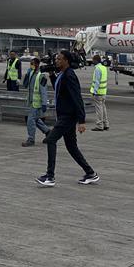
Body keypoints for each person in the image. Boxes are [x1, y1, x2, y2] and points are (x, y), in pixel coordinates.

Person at [36, 50, 99, 187]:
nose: (56, 61)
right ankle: (90, 173)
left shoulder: (69, 75)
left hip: (68, 116)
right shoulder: (62, 74)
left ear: (66, 61)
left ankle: (50, 176)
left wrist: (81, 120)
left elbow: (77, 98)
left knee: (51, 139)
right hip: (65, 115)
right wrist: (52, 75)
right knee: (71, 146)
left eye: (59, 59)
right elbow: (59, 89)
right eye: (56, 59)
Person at [21, 58, 50, 146]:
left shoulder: (41, 76)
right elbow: (25, 85)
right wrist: (26, 75)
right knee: (35, 119)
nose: (31, 65)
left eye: (33, 64)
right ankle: (48, 131)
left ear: (37, 64)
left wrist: (44, 103)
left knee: (30, 120)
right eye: (31, 64)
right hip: (31, 101)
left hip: (37, 103)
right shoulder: (30, 74)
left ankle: (31, 139)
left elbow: (43, 91)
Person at [90, 54, 109, 131]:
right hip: (103, 92)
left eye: (93, 60)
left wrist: (94, 91)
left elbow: (97, 81)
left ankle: (99, 125)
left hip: (98, 93)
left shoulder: (97, 69)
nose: (92, 61)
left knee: (99, 110)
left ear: (96, 60)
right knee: (103, 109)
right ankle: (106, 124)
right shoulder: (104, 68)